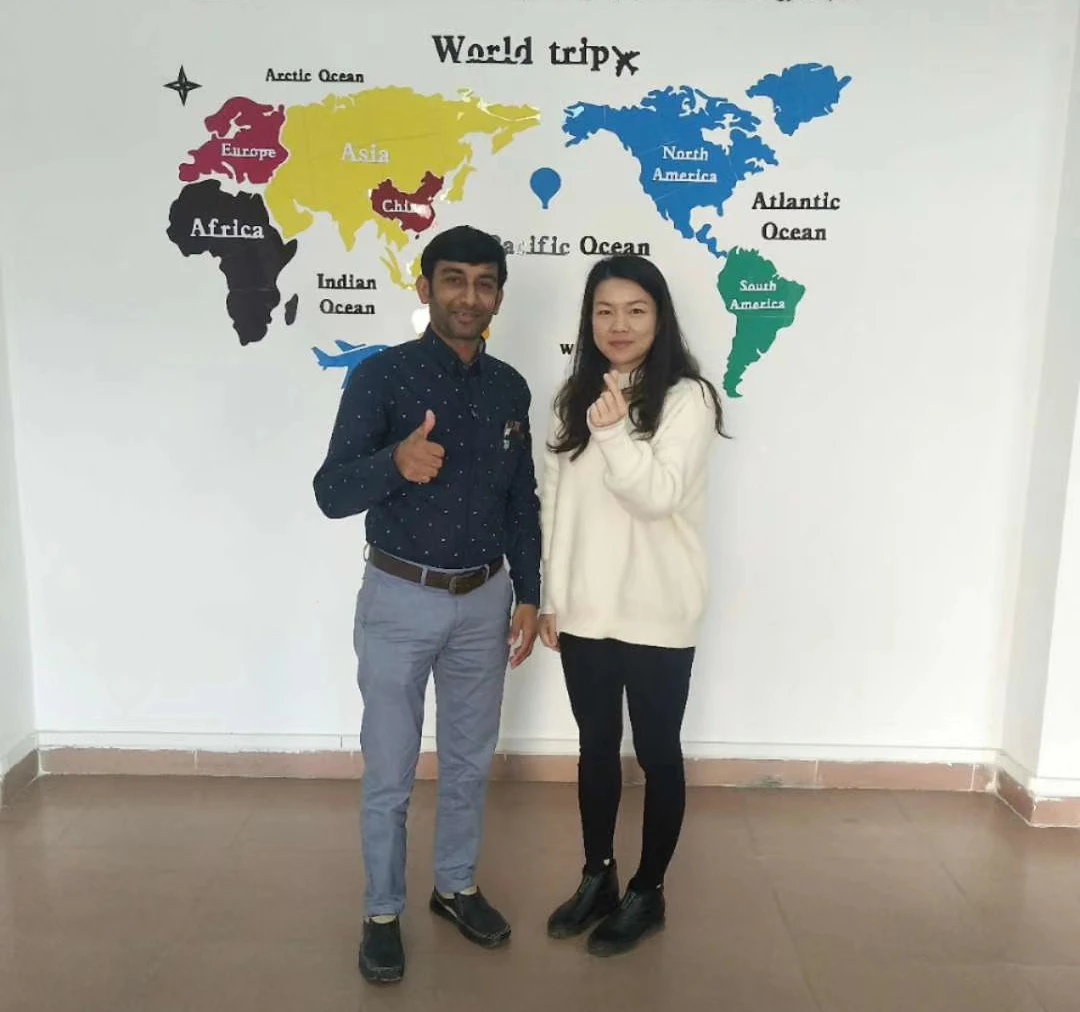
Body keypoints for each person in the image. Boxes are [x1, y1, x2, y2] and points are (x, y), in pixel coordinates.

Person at [313, 225, 541, 984]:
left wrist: (530, 593)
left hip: (484, 600)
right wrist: (395, 462)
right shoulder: (381, 378)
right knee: (391, 769)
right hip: (399, 599)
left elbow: (522, 500)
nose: (468, 296)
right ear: (425, 287)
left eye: (484, 282)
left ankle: (455, 888)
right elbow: (330, 492)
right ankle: (382, 912)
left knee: (471, 762)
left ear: (498, 296)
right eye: (453, 279)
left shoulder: (510, 387)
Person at [537, 254, 725, 956]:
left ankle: (649, 891)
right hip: (586, 609)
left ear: (660, 318)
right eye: (605, 311)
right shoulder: (574, 397)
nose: (619, 325)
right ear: (589, 320)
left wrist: (615, 434)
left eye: (636, 310)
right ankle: (599, 876)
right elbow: (555, 504)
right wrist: (552, 596)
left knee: (655, 751)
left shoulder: (687, 399)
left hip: (657, 608)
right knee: (595, 749)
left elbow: (656, 497)